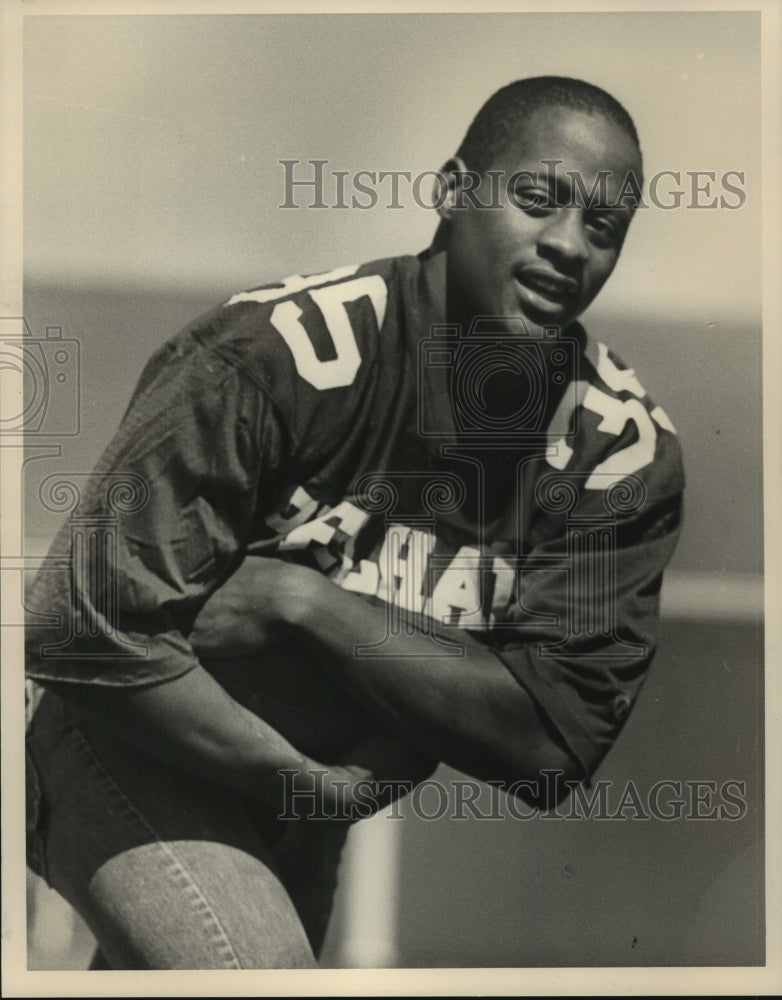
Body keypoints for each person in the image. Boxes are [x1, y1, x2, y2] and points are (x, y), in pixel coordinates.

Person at [25, 76, 684, 969]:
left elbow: (549, 742)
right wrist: (297, 781)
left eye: (603, 227)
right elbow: (79, 632)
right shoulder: (276, 353)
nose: (568, 244)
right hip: (132, 745)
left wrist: (308, 602)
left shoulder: (614, 449)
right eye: (538, 198)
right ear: (453, 191)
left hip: (310, 809)